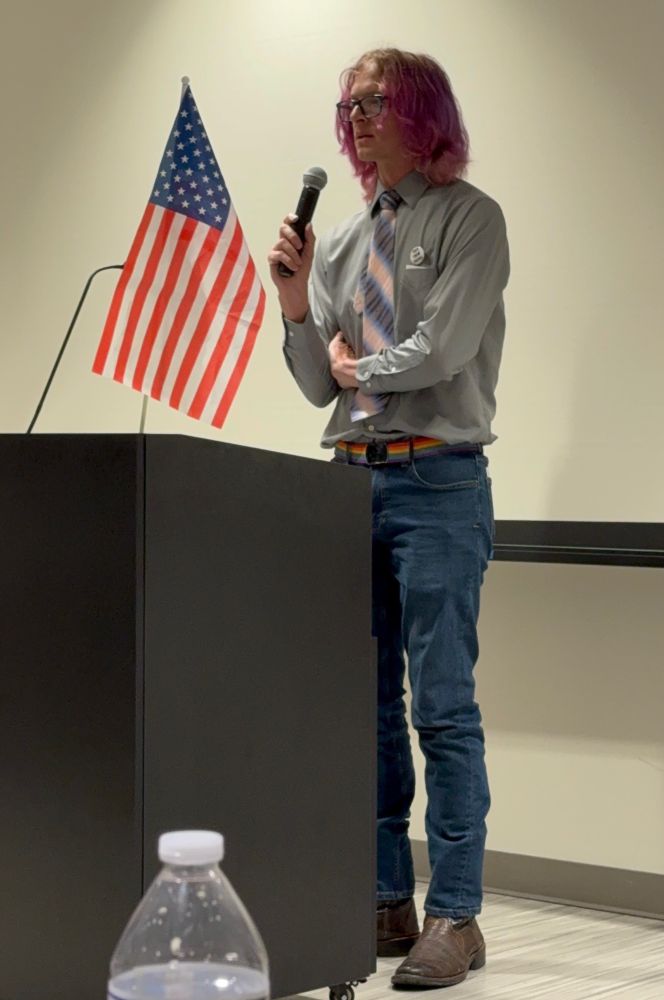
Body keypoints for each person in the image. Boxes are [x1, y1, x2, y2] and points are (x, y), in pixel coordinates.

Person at [268, 47, 510, 990]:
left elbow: (442, 348)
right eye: (348, 104)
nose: (358, 118)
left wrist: (354, 367)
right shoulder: (340, 243)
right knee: (366, 713)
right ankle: (383, 899)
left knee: (443, 709)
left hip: (438, 484)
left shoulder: (470, 220)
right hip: (349, 483)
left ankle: (456, 913)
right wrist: (294, 308)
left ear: (422, 111)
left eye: (375, 100)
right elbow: (308, 384)